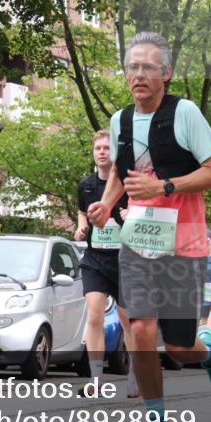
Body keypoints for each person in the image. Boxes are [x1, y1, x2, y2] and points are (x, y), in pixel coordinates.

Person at [86, 31, 211, 422]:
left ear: (166, 73)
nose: (138, 75)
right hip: (138, 240)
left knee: (180, 347)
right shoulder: (120, 121)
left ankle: (208, 350)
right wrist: (107, 203)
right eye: (132, 67)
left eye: (148, 67)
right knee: (141, 329)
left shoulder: (184, 113)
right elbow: (120, 169)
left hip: (183, 243)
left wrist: (164, 184)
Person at [74, 130, 137, 398]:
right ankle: (96, 379)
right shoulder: (86, 185)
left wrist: (129, 214)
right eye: (97, 148)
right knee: (95, 315)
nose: (101, 152)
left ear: (114, 154)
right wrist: (81, 228)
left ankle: (136, 375)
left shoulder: (126, 183)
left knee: (127, 321)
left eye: (106, 148)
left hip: (124, 260)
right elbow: (81, 211)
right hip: (95, 260)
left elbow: (144, 212)